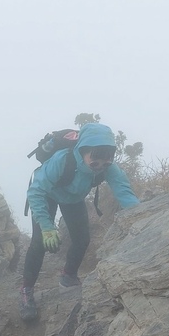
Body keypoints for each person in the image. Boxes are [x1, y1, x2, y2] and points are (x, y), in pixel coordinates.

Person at [19, 122, 140, 321]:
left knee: (82, 239)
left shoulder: (108, 166)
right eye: (94, 162)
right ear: (82, 151)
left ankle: (68, 276)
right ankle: (26, 291)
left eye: (105, 162)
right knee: (39, 243)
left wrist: (141, 216)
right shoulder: (62, 160)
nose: (99, 166)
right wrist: (47, 226)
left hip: (72, 198)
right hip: (46, 194)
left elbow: (124, 192)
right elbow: (36, 191)